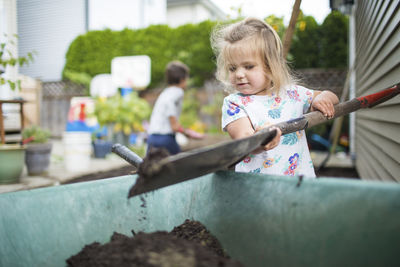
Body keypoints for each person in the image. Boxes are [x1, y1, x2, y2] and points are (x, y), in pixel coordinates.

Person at [211, 17, 339, 177]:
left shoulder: (292, 94)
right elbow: (244, 140)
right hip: (259, 190)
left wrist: (321, 99)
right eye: (232, 68)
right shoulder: (234, 103)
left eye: (248, 66)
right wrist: (261, 140)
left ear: (270, 66)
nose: (239, 74)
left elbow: (332, 97)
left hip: (299, 184)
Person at [147, 61, 203, 155]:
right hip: (165, 139)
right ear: (182, 79)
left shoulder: (165, 92)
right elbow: (174, 125)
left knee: (152, 167)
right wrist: (187, 133)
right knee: (178, 167)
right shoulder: (178, 92)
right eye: (186, 78)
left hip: (152, 138)